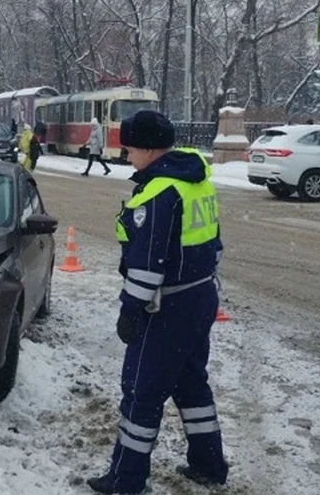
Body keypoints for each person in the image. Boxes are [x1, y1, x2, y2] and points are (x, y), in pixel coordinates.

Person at [88, 110, 228, 495]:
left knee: (140, 391)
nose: (127, 155)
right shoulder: (196, 182)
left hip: (166, 307)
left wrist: (131, 310)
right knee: (191, 384)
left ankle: (126, 480)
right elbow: (214, 246)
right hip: (200, 296)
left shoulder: (160, 192)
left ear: (148, 148)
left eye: (130, 148)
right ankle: (209, 464)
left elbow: (147, 265)